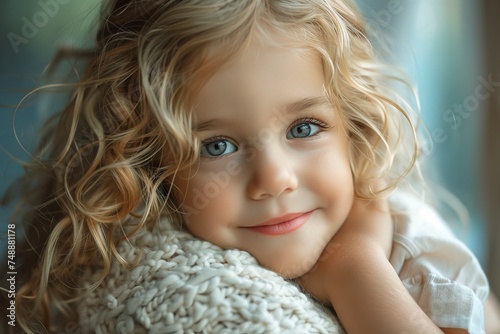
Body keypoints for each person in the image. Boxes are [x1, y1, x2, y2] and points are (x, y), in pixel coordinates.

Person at [1, 0, 495, 333]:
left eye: (303, 128)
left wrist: (355, 265)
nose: (275, 179)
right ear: (144, 159)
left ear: (354, 125)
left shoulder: (417, 253)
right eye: (217, 146)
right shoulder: (159, 269)